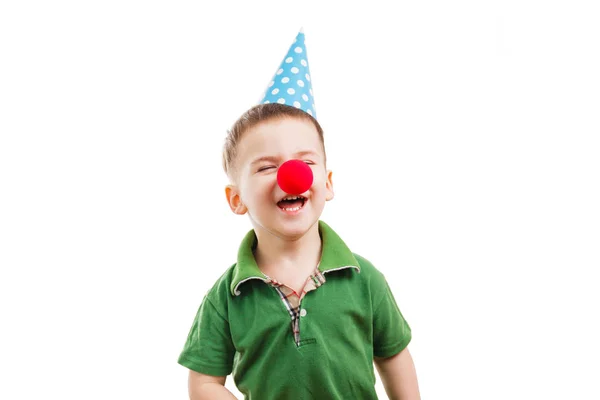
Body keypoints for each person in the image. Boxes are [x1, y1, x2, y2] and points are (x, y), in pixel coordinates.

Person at [177, 29, 420, 400]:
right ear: (236, 198)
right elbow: (204, 381)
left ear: (328, 183)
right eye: (266, 167)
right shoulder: (227, 296)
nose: (292, 175)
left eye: (305, 162)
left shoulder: (364, 278)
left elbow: (393, 356)